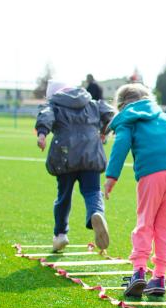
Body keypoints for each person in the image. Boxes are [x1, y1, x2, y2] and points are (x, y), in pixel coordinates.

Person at [104, 83, 166, 297]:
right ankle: (159, 277)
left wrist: (111, 176)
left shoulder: (129, 120)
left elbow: (121, 145)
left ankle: (138, 272)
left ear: (122, 105)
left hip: (151, 174)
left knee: (145, 222)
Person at [35, 80, 114, 252]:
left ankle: (60, 234)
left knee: (64, 196)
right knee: (93, 191)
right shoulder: (91, 102)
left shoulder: (54, 105)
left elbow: (46, 115)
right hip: (91, 154)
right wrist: (104, 131)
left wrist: (42, 134)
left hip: (65, 157)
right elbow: (109, 113)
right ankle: (96, 213)